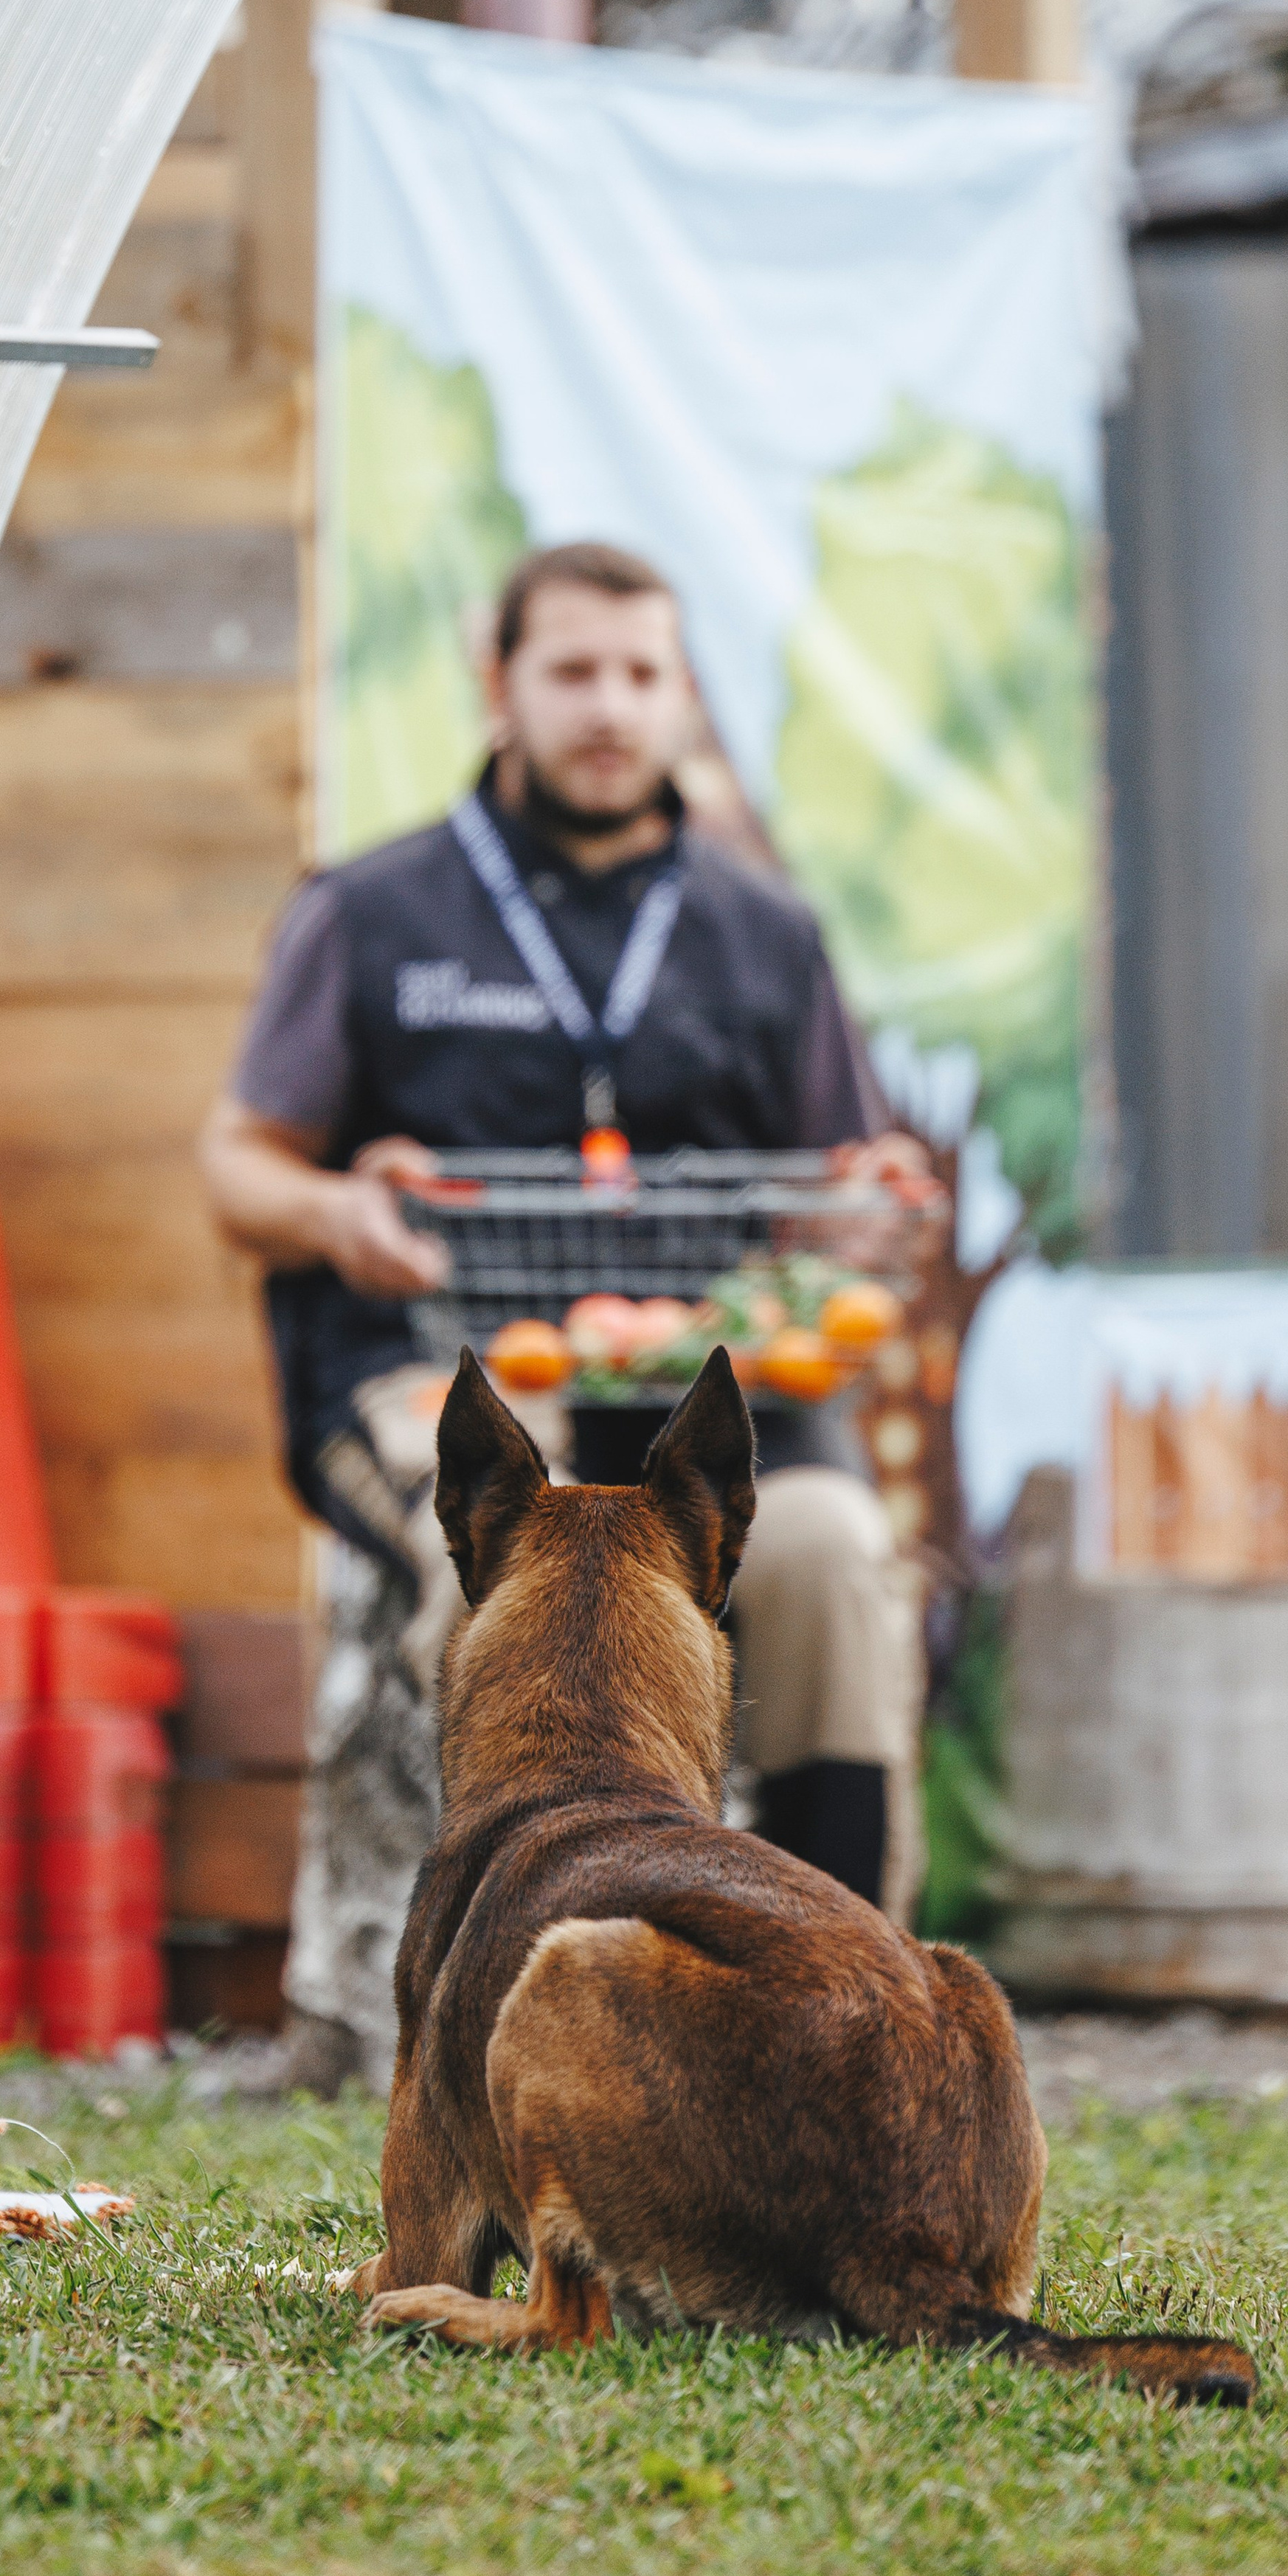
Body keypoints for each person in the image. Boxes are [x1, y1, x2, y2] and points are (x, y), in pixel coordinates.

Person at [198, 539, 935, 2094]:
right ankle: (473, 2036)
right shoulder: (371, 909)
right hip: (436, 1381)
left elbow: (833, 1193)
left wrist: (867, 1206)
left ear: (678, 698)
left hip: (698, 1404)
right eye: (573, 671)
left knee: (828, 1561)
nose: (609, 708)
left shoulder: (762, 932)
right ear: (501, 686)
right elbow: (237, 1168)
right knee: (500, 1581)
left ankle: (850, 2008)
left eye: (641, 674)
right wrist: (339, 1209)